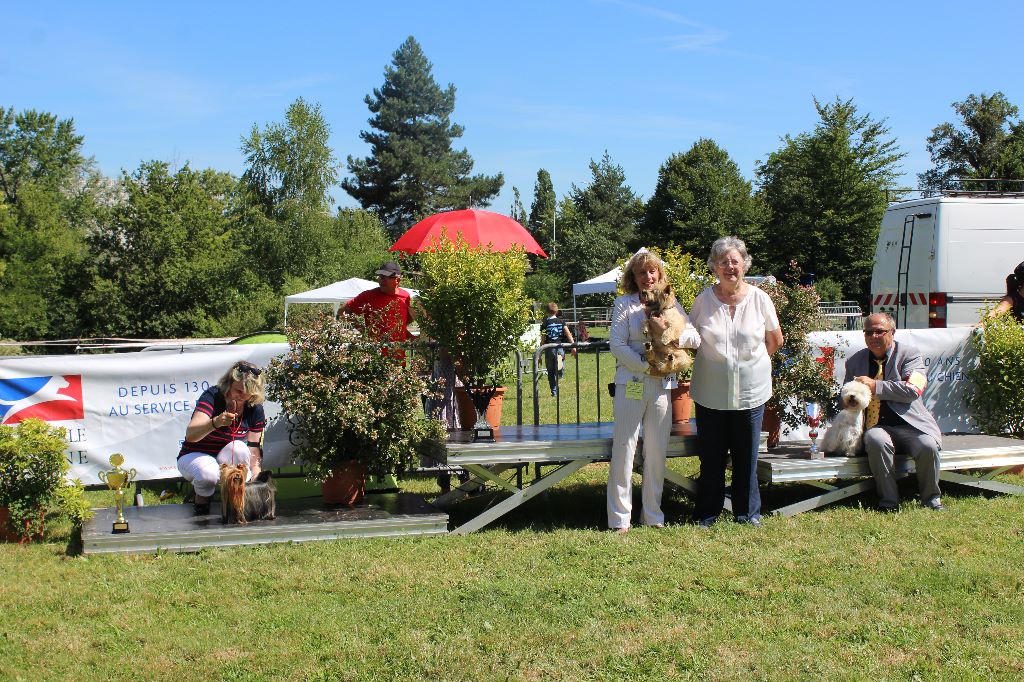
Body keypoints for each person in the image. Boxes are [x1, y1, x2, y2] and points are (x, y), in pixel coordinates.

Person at [690, 236, 783, 528]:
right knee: (711, 459)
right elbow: (690, 340)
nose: (730, 267)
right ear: (714, 267)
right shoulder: (702, 301)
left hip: (751, 393)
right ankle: (708, 513)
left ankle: (747, 513)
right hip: (710, 393)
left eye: (735, 261)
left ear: (744, 264)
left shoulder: (760, 298)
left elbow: (775, 340)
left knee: (746, 458)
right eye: (723, 262)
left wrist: (750, 363)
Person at [608, 251, 701, 533]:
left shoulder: (672, 304)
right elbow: (616, 344)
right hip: (632, 383)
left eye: (652, 272)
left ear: (660, 275)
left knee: (657, 451)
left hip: (662, 388)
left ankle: (653, 514)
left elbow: (694, 337)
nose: (648, 277)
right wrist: (646, 366)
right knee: (624, 449)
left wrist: (669, 333)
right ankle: (619, 518)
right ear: (633, 278)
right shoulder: (624, 304)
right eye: (641, 273)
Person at [845, 312, 944, 512]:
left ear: (892, 332)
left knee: (927, 446)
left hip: (911, 425)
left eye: (880, 332)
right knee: (876, 440)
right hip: (876, 427)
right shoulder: (854, 361)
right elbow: (848, 400)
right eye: (868, 332)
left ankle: (931, 500)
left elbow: (912, 390)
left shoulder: (910, 355)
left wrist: (876, 386)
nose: (873, 336)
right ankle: (889, 502)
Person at [178, 361, 267, 514]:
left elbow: (253, 447)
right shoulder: (213, 396)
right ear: (228, 384)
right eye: (238, 390)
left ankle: (236, 506)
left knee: (239, 448)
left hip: (226, 457)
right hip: (195, 455)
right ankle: (201, 504)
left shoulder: (254, 408)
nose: (242, 396)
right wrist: (215, 423)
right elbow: (191, 435)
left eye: (248, 393)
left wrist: (256, 474)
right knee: (209, 473)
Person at [342, 260, 415, 358]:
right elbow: (342, 311)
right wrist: (364, 331)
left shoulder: (405, 296)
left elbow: (401, 323)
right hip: (376, 357)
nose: (381, 280)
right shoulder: (368, 296)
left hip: (398, 356)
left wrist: (412, 337)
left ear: (397, 280)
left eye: (385, 277)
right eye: (380, 277)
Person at [540, 302, 576, 396]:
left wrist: (539, 353)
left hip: (548, 349)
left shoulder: (545, 324)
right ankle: (560, 371)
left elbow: (542, 340)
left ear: (547, 312)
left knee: (550, 372)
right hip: (559, 348)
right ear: (557, 311)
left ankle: (554, 392)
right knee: (559, 366)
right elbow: (568, 334)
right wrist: (573, 346)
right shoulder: (561, 321)